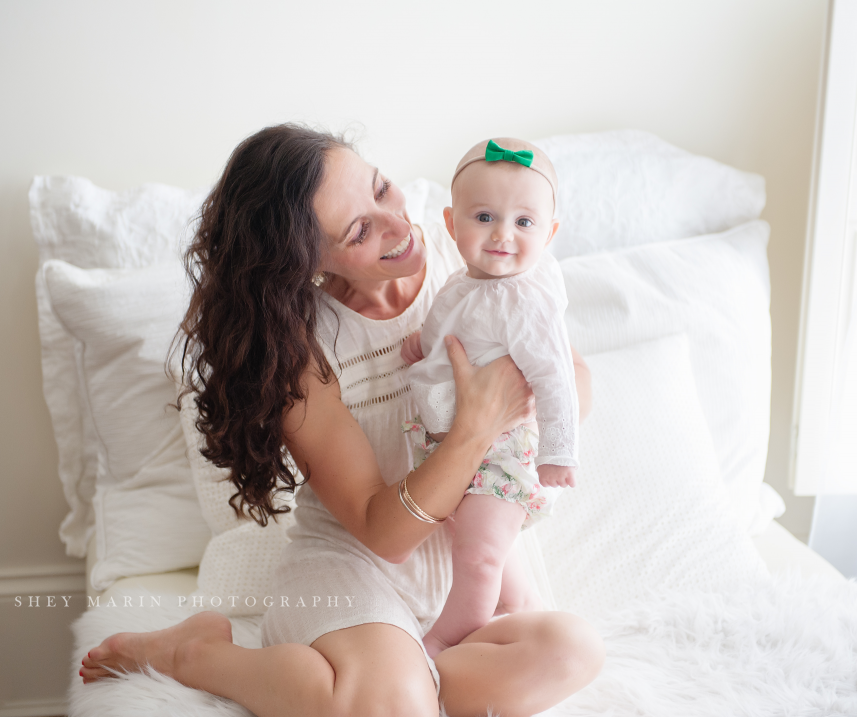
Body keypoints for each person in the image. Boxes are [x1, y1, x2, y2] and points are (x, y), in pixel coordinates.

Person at [79, 124, 603, 717]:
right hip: (357, 566)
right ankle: (198, 656)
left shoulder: (479, 252)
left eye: (381, 189)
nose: (397, 225)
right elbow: (387, 534)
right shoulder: (299, 350)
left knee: (572, 651)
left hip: (473, 558)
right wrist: (476, 427)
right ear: (306, 259)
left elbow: (574, 380)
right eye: (359, 231)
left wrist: (528, 409)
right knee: (391, 706)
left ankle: (389, 682)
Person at [401, 138, 578, 661]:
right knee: (498, 560)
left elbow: (556, 377)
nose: (503, 234)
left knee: (477, 558)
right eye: (485, 217)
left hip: (502, 450)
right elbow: (451, 330)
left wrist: (559, 453)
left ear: (549, 233)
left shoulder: (525, 300)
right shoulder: (463, 281)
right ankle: (526, 617)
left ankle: (443, 642)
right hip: (459, 445)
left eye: (524, 223)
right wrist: (422, 349)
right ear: (452, 225)